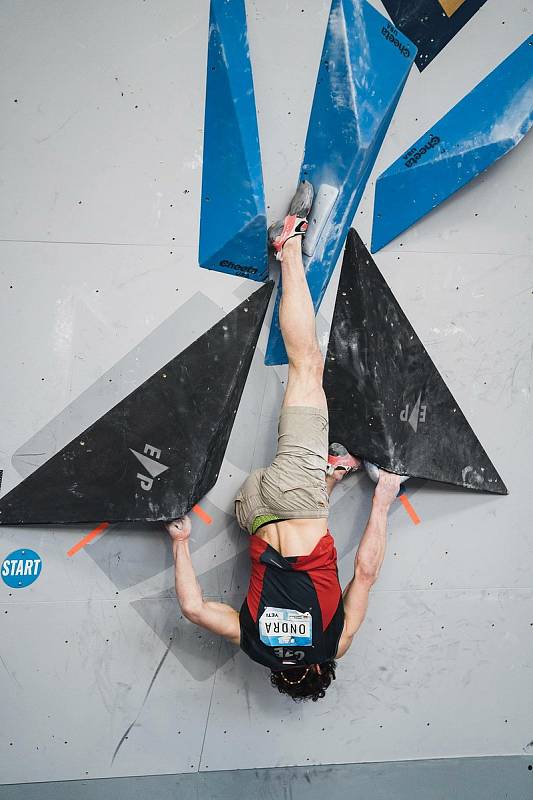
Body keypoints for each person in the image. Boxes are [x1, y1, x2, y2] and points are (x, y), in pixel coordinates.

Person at [166, 182, 402, 701]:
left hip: (292, 498)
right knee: (305, 498)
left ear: (321, 673)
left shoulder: (332, 645)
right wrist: (181, 542)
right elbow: (194, 608)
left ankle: (288, 245)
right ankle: (329, 477)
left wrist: (383, 501)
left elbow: (365, 571)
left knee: (307, 368)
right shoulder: (253, 645)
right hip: (250, 508)